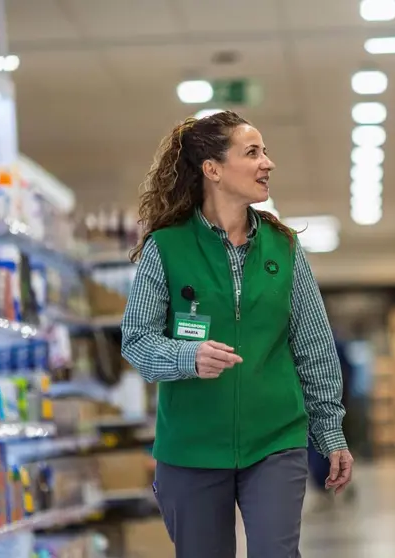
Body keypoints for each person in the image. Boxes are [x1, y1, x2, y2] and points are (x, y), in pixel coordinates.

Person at [121, 110, 354, 558]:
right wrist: (186, 358)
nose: (268, 163)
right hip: (190, 446)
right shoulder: (166, 247)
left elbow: (314, 346)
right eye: (252, 153)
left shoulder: (283, 247)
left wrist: (330, 430)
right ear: (213, 169)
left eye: (265, 152)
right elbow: (136, 339)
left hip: (275, 438)